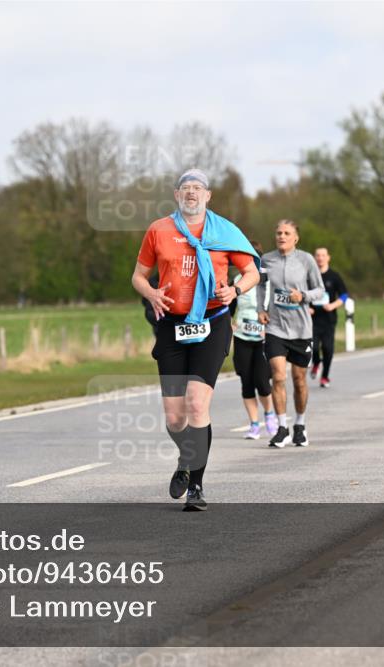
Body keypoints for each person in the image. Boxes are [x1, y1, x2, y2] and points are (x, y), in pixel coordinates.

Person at [132, 169, 260, 511]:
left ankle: (197, 487)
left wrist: (235, 289)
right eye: (185, 188)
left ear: (208, 196)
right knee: (175, 418)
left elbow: (252, 272)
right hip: (172, 326)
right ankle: (186, 457)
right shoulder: (159, 230)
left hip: (212, 323)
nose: (191, 193)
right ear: (176, 195)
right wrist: (152, 294)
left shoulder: (225, 231)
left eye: (197, 188)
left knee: (197, 404)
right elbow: (138, 276)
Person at [257, 220, 324, 447]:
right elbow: (261, 285)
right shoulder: (267, 259)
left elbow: (320, 290)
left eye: (287, 233)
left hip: (301, 329)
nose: (281, 236)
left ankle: (300, 425)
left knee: (299, 380)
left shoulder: (306, 260)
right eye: (278, 233)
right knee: (278, 376)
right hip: (275, 326)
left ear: (296, 238)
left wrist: (302, 296)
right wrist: (261, 309)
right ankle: (282, 427)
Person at [230, 240, 277, 439]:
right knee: (246, 382)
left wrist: (271, 326)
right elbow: (229, 307)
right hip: (242, 337)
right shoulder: (237, 280)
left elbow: (277, 308)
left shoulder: (270, 282)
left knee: (263, 382)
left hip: (263, 339)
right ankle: (254, 424)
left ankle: (269, 415)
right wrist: (229, 323)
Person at [309, 247, 349, 388]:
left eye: (323, 255)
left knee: (328, 349)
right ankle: (316, 362)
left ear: (328, 258)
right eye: (318, 255)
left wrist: (333, 305)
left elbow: (344, 295)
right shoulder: (310, 276)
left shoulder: (334, 276)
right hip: (312, 319)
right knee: (313, 347)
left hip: (328, 319)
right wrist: (306, 308)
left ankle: (325, 376)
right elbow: (301, 294)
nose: (320, 258)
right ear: (314, 258)